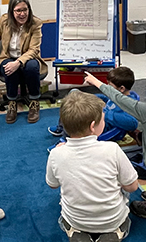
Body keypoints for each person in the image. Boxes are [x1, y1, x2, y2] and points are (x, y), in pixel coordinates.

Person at [45, 92, 139, 242]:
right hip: (112, 219)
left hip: (76, 219)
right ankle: (115, 231)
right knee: (124, 185)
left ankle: (75, 229)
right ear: (93, 126)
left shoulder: (56, 154)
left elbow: (52, 185)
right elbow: (132, 187)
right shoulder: (112, 149)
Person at [47, 67, 139, 151]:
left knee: (76, 113)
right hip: (98, 115)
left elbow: (132, 124)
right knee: (74, 94)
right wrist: (94, 98)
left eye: (110, 86)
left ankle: (66, 138)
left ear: (122, 88)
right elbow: (109, 102)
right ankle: (62, 127)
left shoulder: (130, 104)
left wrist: (105, 114)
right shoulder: (117, 95)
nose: (107, 87)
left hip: (101, 127)